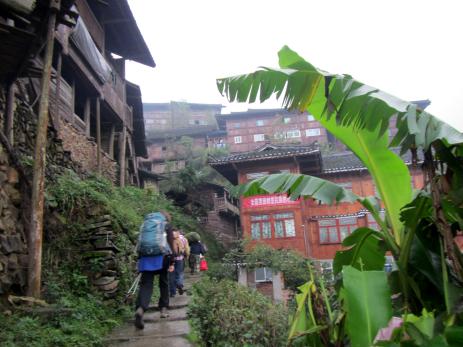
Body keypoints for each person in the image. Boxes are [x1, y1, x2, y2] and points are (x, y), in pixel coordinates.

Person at [134, 211, 176, 330]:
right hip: (162, 257)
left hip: (146, 256)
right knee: (163, 282)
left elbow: (140, 241)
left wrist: (139, 257)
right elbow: (171, 243)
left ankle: (140, 309)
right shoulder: (166, 224)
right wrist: (172, 260)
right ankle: (163, 309)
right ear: (167, 217)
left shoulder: (146, 224)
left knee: (146, 284)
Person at [169, 230, 189, 297]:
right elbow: (187, 249)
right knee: (179, 273)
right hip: (180, 259)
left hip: (170, 259)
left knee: (171, 276)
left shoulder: (169, 237)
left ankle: (172, 292)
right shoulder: (183, 239)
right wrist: (186, 256)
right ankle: (179, 284)